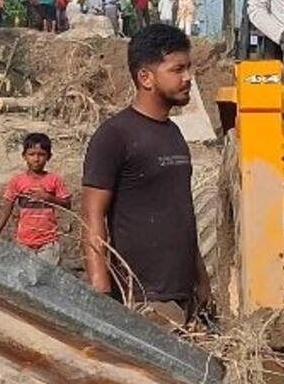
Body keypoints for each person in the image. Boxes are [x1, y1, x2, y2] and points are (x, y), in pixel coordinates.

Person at [82, 24, 205, 323]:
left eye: (188, 68)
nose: (188, 78)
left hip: (183, 297)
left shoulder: (173, 133)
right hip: (142, 301)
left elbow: (181, 213)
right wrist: (101, 292)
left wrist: (201, 280)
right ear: (146, 77)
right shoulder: (114, 136)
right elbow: (91, 215)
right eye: (177, 69)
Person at [0, 132, 72, 265]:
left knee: (47, 279)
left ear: (49, 157)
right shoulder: (17, 182)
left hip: (48, 243)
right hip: (24, 242)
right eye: (32, 154)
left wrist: (48, 197)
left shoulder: (54, 180)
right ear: (24, 156)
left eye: (41, 155)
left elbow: (67, 204)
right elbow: (7, 208)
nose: (36, 159)